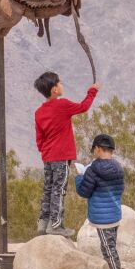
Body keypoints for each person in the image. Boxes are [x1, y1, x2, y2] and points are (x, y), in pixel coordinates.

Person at [33, 72, 98, 236]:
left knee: (48, 189)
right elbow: (84, 107)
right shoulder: (62, 105)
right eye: (59, 83)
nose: (62, 85)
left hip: (48, 158)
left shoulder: (39, 112)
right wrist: (92, 91)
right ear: (54, 89)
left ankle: (43, 223)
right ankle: (56, 225)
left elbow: (39, 138)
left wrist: (45, 151)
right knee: (59, 189)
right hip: (61, 157)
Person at [75, 133, 126, 269]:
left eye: (94, 149)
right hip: (115, 213)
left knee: (108, 249)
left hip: (101, 217)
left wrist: (79, 177)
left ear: (97, 149)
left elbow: (84, 191)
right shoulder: (118, 167)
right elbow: (120, 189)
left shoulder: (93, 169)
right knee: (111, 247)